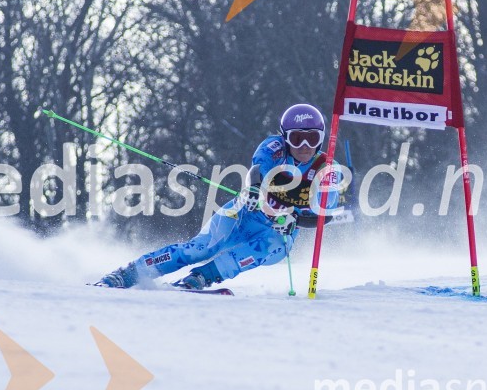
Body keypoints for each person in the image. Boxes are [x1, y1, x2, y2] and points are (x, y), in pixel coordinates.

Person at [97, 103, 343, 290]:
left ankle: (200, 277)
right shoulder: (274, 149)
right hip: (243, 213)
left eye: (312, 138)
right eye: (297, 138)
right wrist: (257, 195)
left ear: (321, 139)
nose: (304, 145)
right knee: (200, 248)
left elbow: (325, 216)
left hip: (278, 232)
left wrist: (295, 219)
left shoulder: (326, 169)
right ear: (284, 137)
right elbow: (256, 173)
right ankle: (128, 274)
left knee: (271, 247)